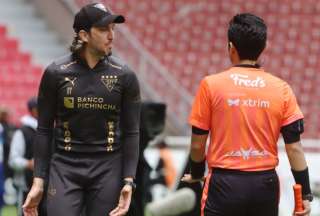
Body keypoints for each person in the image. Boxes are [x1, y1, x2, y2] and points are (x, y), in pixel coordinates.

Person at [182, 13, 312, 216]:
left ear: (231, 47)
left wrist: (197, 173)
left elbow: (198, 144)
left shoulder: (210, 85)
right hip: (265, 185)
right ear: (263, 48)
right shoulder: (282, 88)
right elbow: (294, 148)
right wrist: (305, 194)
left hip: (224, 184)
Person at [22, 3, 141, 216]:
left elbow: (132, 132)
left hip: (108, 167)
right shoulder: (55, 73)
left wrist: (128, 181)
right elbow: (44, 130)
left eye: (113, 29)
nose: (112, 35)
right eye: (104, 29)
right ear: (84, 35)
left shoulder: (125, 76)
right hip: (65, 167)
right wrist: (38, 182)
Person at [9, 97, 46, 216]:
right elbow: (13, 159)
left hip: (47, 185)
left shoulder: (48, 130)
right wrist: (29, 164)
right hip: (25, 184)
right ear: (34, 110)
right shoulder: (22, 131)